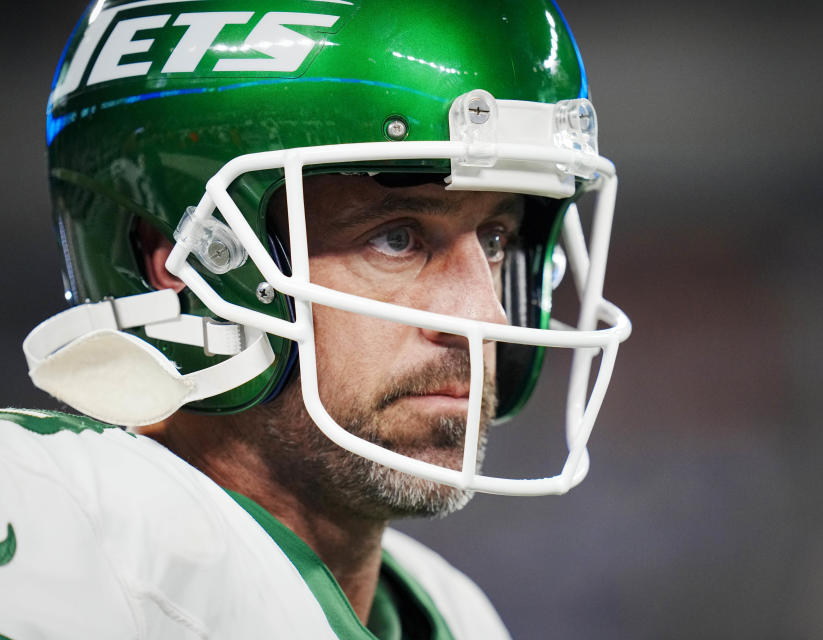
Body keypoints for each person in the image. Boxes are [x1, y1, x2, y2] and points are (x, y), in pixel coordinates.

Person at [0, 0, 631, 637]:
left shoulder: (453, 613)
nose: (480, 315)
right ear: (180, 261)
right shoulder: (55, 530)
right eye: (397, 240)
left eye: (494, 240)